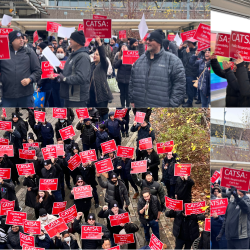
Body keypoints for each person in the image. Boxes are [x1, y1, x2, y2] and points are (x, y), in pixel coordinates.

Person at [129, 29, 186, 107]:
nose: (147, 42)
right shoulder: (139, 60)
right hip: (140, 107)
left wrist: (172, 105)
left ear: (159, 42)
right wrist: (132, 99)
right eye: (147, 40)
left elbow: (179, 85)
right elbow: (132, 81)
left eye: (151, 40)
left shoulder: (173, 61)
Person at [0, 30, 41, 107]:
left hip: (26, 96)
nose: (21, 39)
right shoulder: (3, 53)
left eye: (22, 37)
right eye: (18, 38)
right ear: (11, 40)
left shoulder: (29, 52)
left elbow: (38, 71)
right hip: (7, 96)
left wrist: (30, 79)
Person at [57, 30, 91, 107]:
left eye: (72, 39)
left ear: (78, 42)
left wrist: (64, 79)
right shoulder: (73, 55)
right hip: (69, 96)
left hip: (77, 98)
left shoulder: (83, 57)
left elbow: (81, 78)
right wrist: (59, 72)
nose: (69, 41)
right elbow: (70, 73)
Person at [89, 37, 113, 107]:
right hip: (91, 96)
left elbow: (103, 56)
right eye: (94, 54)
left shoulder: (103, 65)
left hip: (101, 95)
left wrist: (100, 44)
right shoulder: (91, 65)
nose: (95, 56)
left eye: (97, 54)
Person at [178, 39, 198, 107]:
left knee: (190, 88)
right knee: (184, 87)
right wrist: (180, 49)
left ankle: (190, 102)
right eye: (188, 43)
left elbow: (191, 62)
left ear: (193, 43)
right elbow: (180, 56)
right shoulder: (185, 50)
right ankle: (183, 100)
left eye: (189, 43)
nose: (188, 44)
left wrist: (188, 53)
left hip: (191, 73)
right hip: (184, 72)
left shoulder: (196, 52)